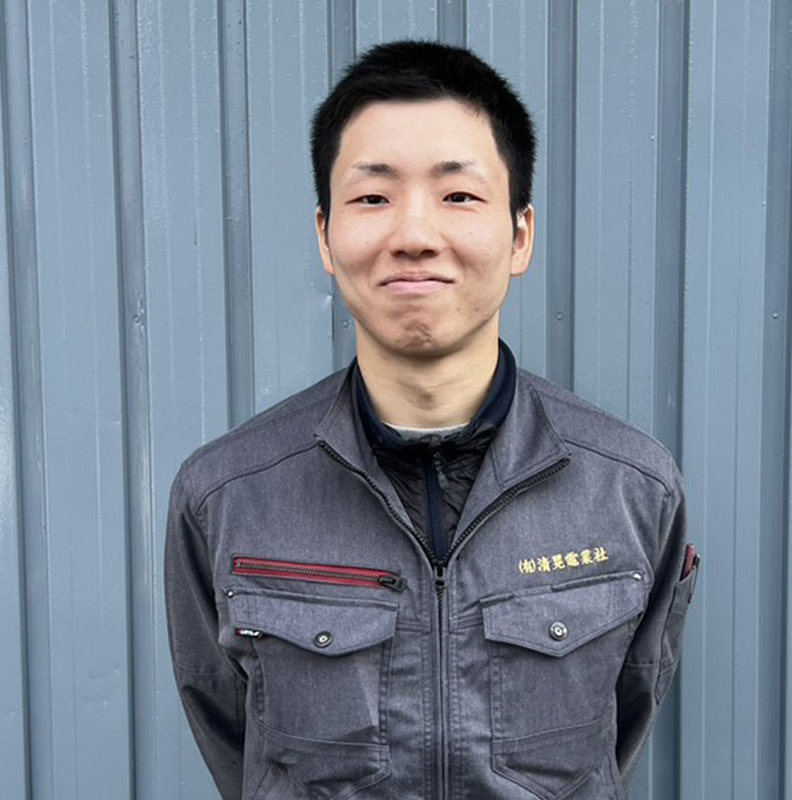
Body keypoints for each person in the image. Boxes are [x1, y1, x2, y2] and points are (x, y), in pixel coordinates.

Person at [165, 39, 699, 800]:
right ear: (325, 235)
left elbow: (622, 722)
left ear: (519, 236)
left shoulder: (631, 489)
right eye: (372, 198)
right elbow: (233, 738)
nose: (414, 236)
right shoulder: (226, 495)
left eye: (458, 196)